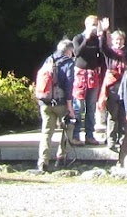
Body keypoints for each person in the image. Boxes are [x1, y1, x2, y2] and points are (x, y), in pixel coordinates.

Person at [34, 39, 75, 171]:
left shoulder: (48, 60)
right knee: (68, 127)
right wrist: (70, 107)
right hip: (61, 103)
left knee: (46, 132)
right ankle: (61, 158)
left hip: (45, 103)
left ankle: (43, 161)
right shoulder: (69, 63)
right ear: (69, 51)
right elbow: (69, 86)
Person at [70, 15, 105, 144]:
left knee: (91, 107)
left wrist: (102, 35)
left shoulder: (97, 40)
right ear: (86, 25)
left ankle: (89, 136)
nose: (94, 27)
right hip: (80, 75)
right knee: (78, 107)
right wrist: (87, 38)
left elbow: (102, 54)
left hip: (93, 74)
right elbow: (77, 52)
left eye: (96, 25)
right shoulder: (78, 38)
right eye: (93, 24)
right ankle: (75, 135)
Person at [98, 29, 127, 145]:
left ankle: (122, 138)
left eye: (121, 39)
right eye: (116, 39)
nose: (118, 41)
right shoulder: (110, 52)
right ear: (112, 40)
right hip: (112, 85)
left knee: (123, 113)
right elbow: (102, 46)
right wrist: (104, 31)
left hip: (124, 84)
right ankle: (111, 139)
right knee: (113, 114)